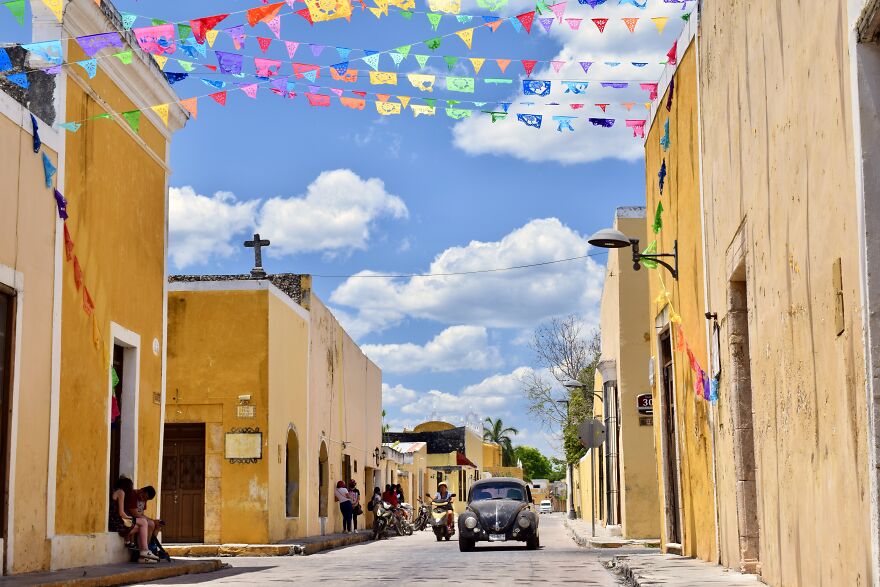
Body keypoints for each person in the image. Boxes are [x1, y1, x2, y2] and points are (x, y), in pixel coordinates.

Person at [111, 478, 157, 564]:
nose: (132, 489)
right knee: (143, 522)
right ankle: (144, 551)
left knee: (142, 526)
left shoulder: (119, 492)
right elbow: (121, 513)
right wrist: (130, 519)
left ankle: (143, 555)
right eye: (130, 487)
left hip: (117, 522)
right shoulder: (121, 492)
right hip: (118, 523)